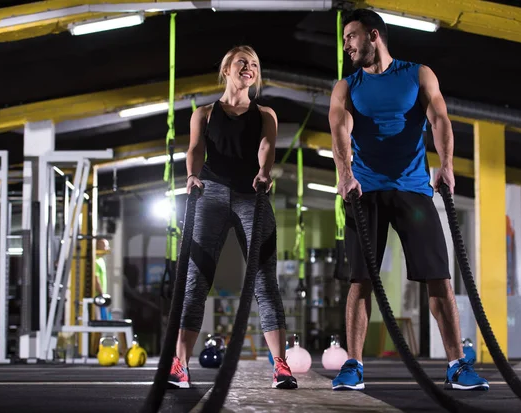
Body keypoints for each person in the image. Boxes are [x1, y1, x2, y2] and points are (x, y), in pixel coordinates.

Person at [329, 9, 489, 392]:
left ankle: (455, 364)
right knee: (360, 280)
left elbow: (439, 118)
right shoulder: (346, 86)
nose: (347, 45)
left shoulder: (418, 74)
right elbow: (339, 124)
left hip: (413, 188)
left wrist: (447, 166)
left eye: (351, 37)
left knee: (439, 278)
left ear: (373, 35)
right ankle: (353, 364)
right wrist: (344, 174)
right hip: (363, 190)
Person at [167, 45, 297, 390]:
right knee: (195, 281)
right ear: (226, 69)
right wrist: (192, 176)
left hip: (250, 196)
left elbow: (266, 147)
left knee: (265, 282)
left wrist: (264, 172)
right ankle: (180, 365)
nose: (249, 68)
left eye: (254, 64)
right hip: (209, 194)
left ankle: (281, 365)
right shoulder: (205, 113)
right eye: (243, 62)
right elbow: (195, 149)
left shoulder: (265, 113)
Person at [95, 238, 111, 320]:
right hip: (96, 298)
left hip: (100, 298)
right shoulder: (95, 261)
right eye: (106, 246)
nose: (108, 248)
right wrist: (101, 295)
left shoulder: (101, 260)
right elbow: (95, 279)